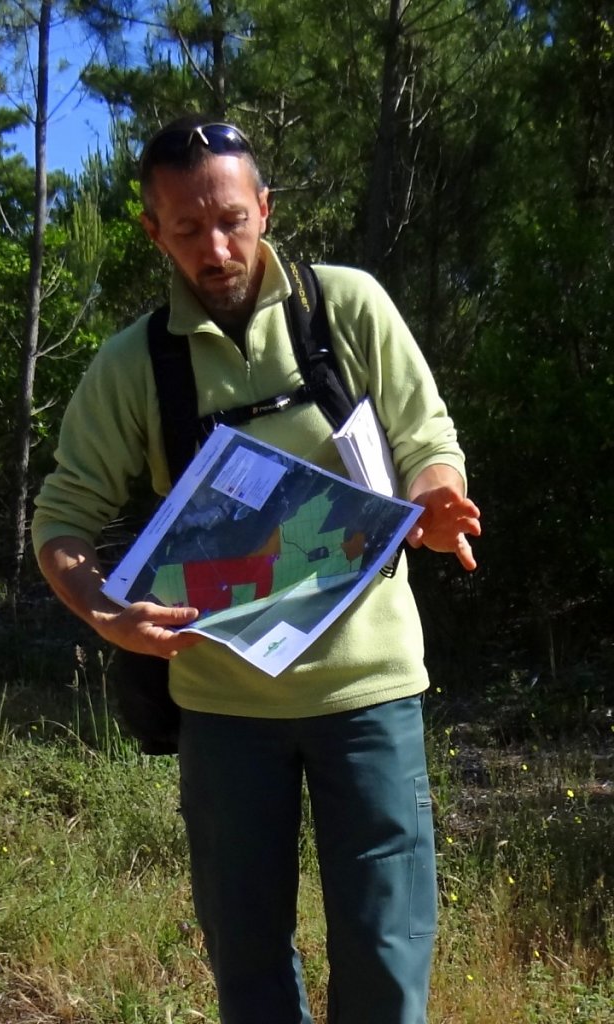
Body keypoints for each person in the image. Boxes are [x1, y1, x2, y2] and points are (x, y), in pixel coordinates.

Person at [32, 114, 481, 1024]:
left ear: (266, 208)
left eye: (233, 219)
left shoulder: (346, 307)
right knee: (247, 964)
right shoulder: (134, 366)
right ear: (153, 231)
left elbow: (427, 436)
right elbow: (63, 520)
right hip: (225, 712)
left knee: (388, 958)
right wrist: (104, 613)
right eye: (189, 229)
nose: (218, 247)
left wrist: (438, 498)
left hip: (371, 696)